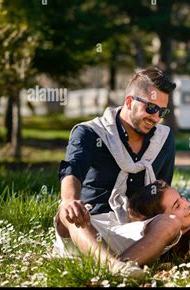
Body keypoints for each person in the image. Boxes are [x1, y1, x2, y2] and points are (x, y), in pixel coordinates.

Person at [53, 67, 182, 273]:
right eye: (151, 108)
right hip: (89, 227)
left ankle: (116, 268)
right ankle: (115, 267)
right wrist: (69, 200)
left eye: (162, 111)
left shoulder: (164, 139)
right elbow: (72, 171)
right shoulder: (89, 133)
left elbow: (162, 191)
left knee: (170, 223)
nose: (156, 117)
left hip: (134, 232)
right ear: (130, 102)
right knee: (67, 212)